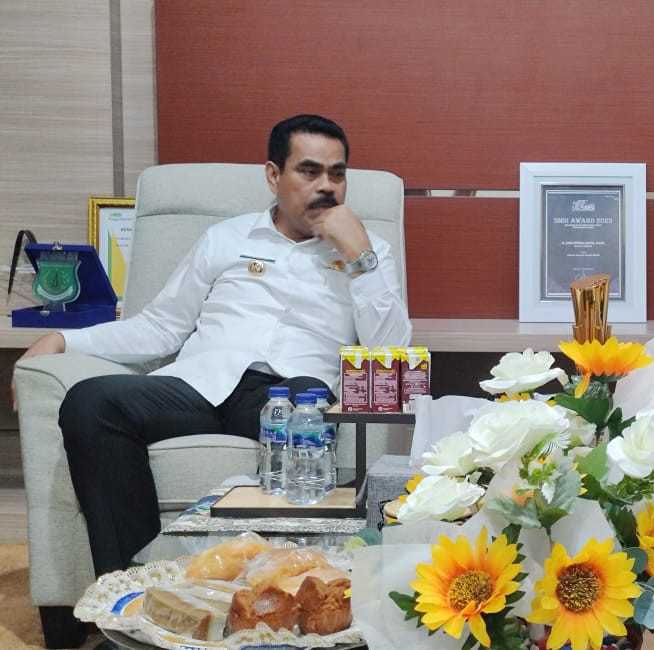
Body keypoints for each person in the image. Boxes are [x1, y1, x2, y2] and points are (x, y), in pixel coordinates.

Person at [14, 114, 412, 577]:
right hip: (198, 384)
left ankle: (272, 592)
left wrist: (359, 256)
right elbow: (161, 327)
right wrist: (63, 338)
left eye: (337, 174)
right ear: (273, 175)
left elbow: (392, 353)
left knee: (302, 412)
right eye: (309, 171)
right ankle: (136, 585)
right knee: (91, 401)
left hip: (290, 394)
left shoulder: (368, 252)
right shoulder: (226, 238)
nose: (326, 186)